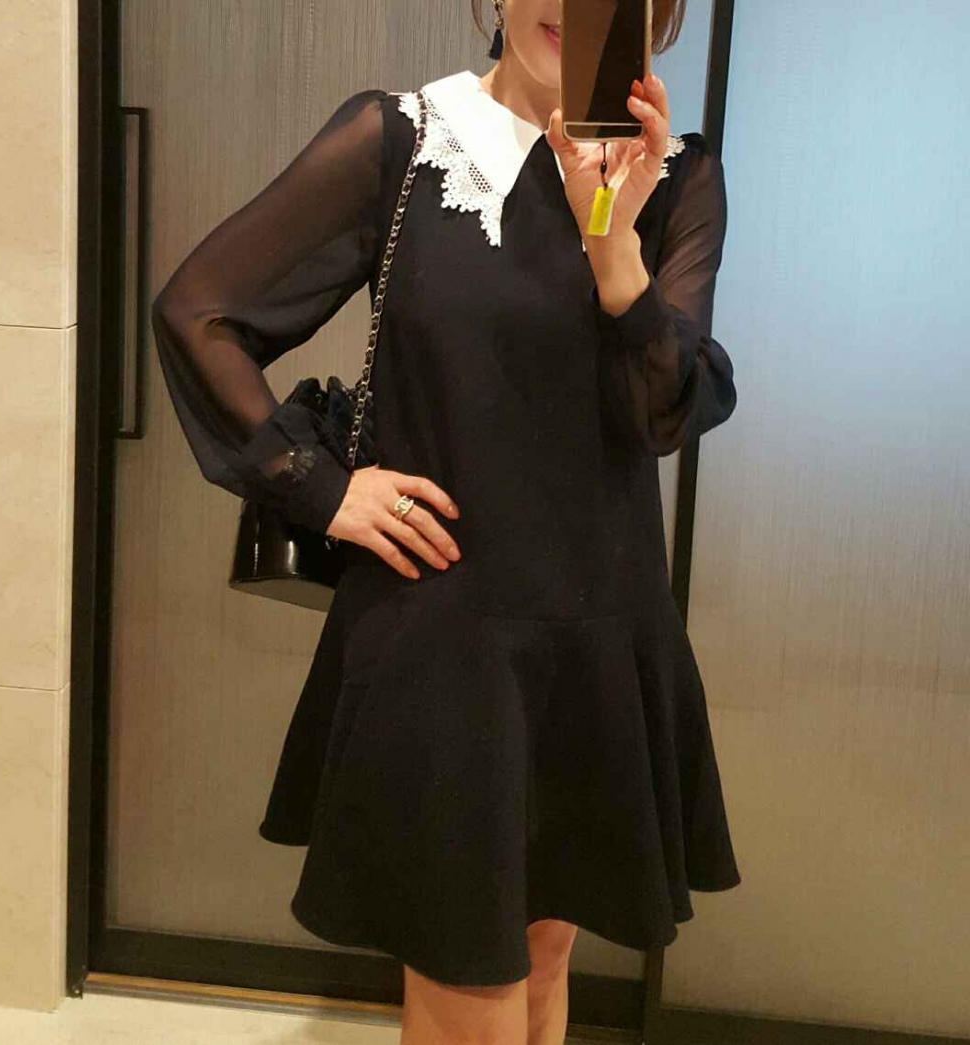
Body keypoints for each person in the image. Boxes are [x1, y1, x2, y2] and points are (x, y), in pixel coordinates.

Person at [150, 0, 741, 1040]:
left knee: (545, 957)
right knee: (470, 981)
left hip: (600, 636)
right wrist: (324, 488)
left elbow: (662, 414)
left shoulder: (676, 177)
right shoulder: (405, 140)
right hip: (444, 643)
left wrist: (612, 235)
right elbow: (199, 311)